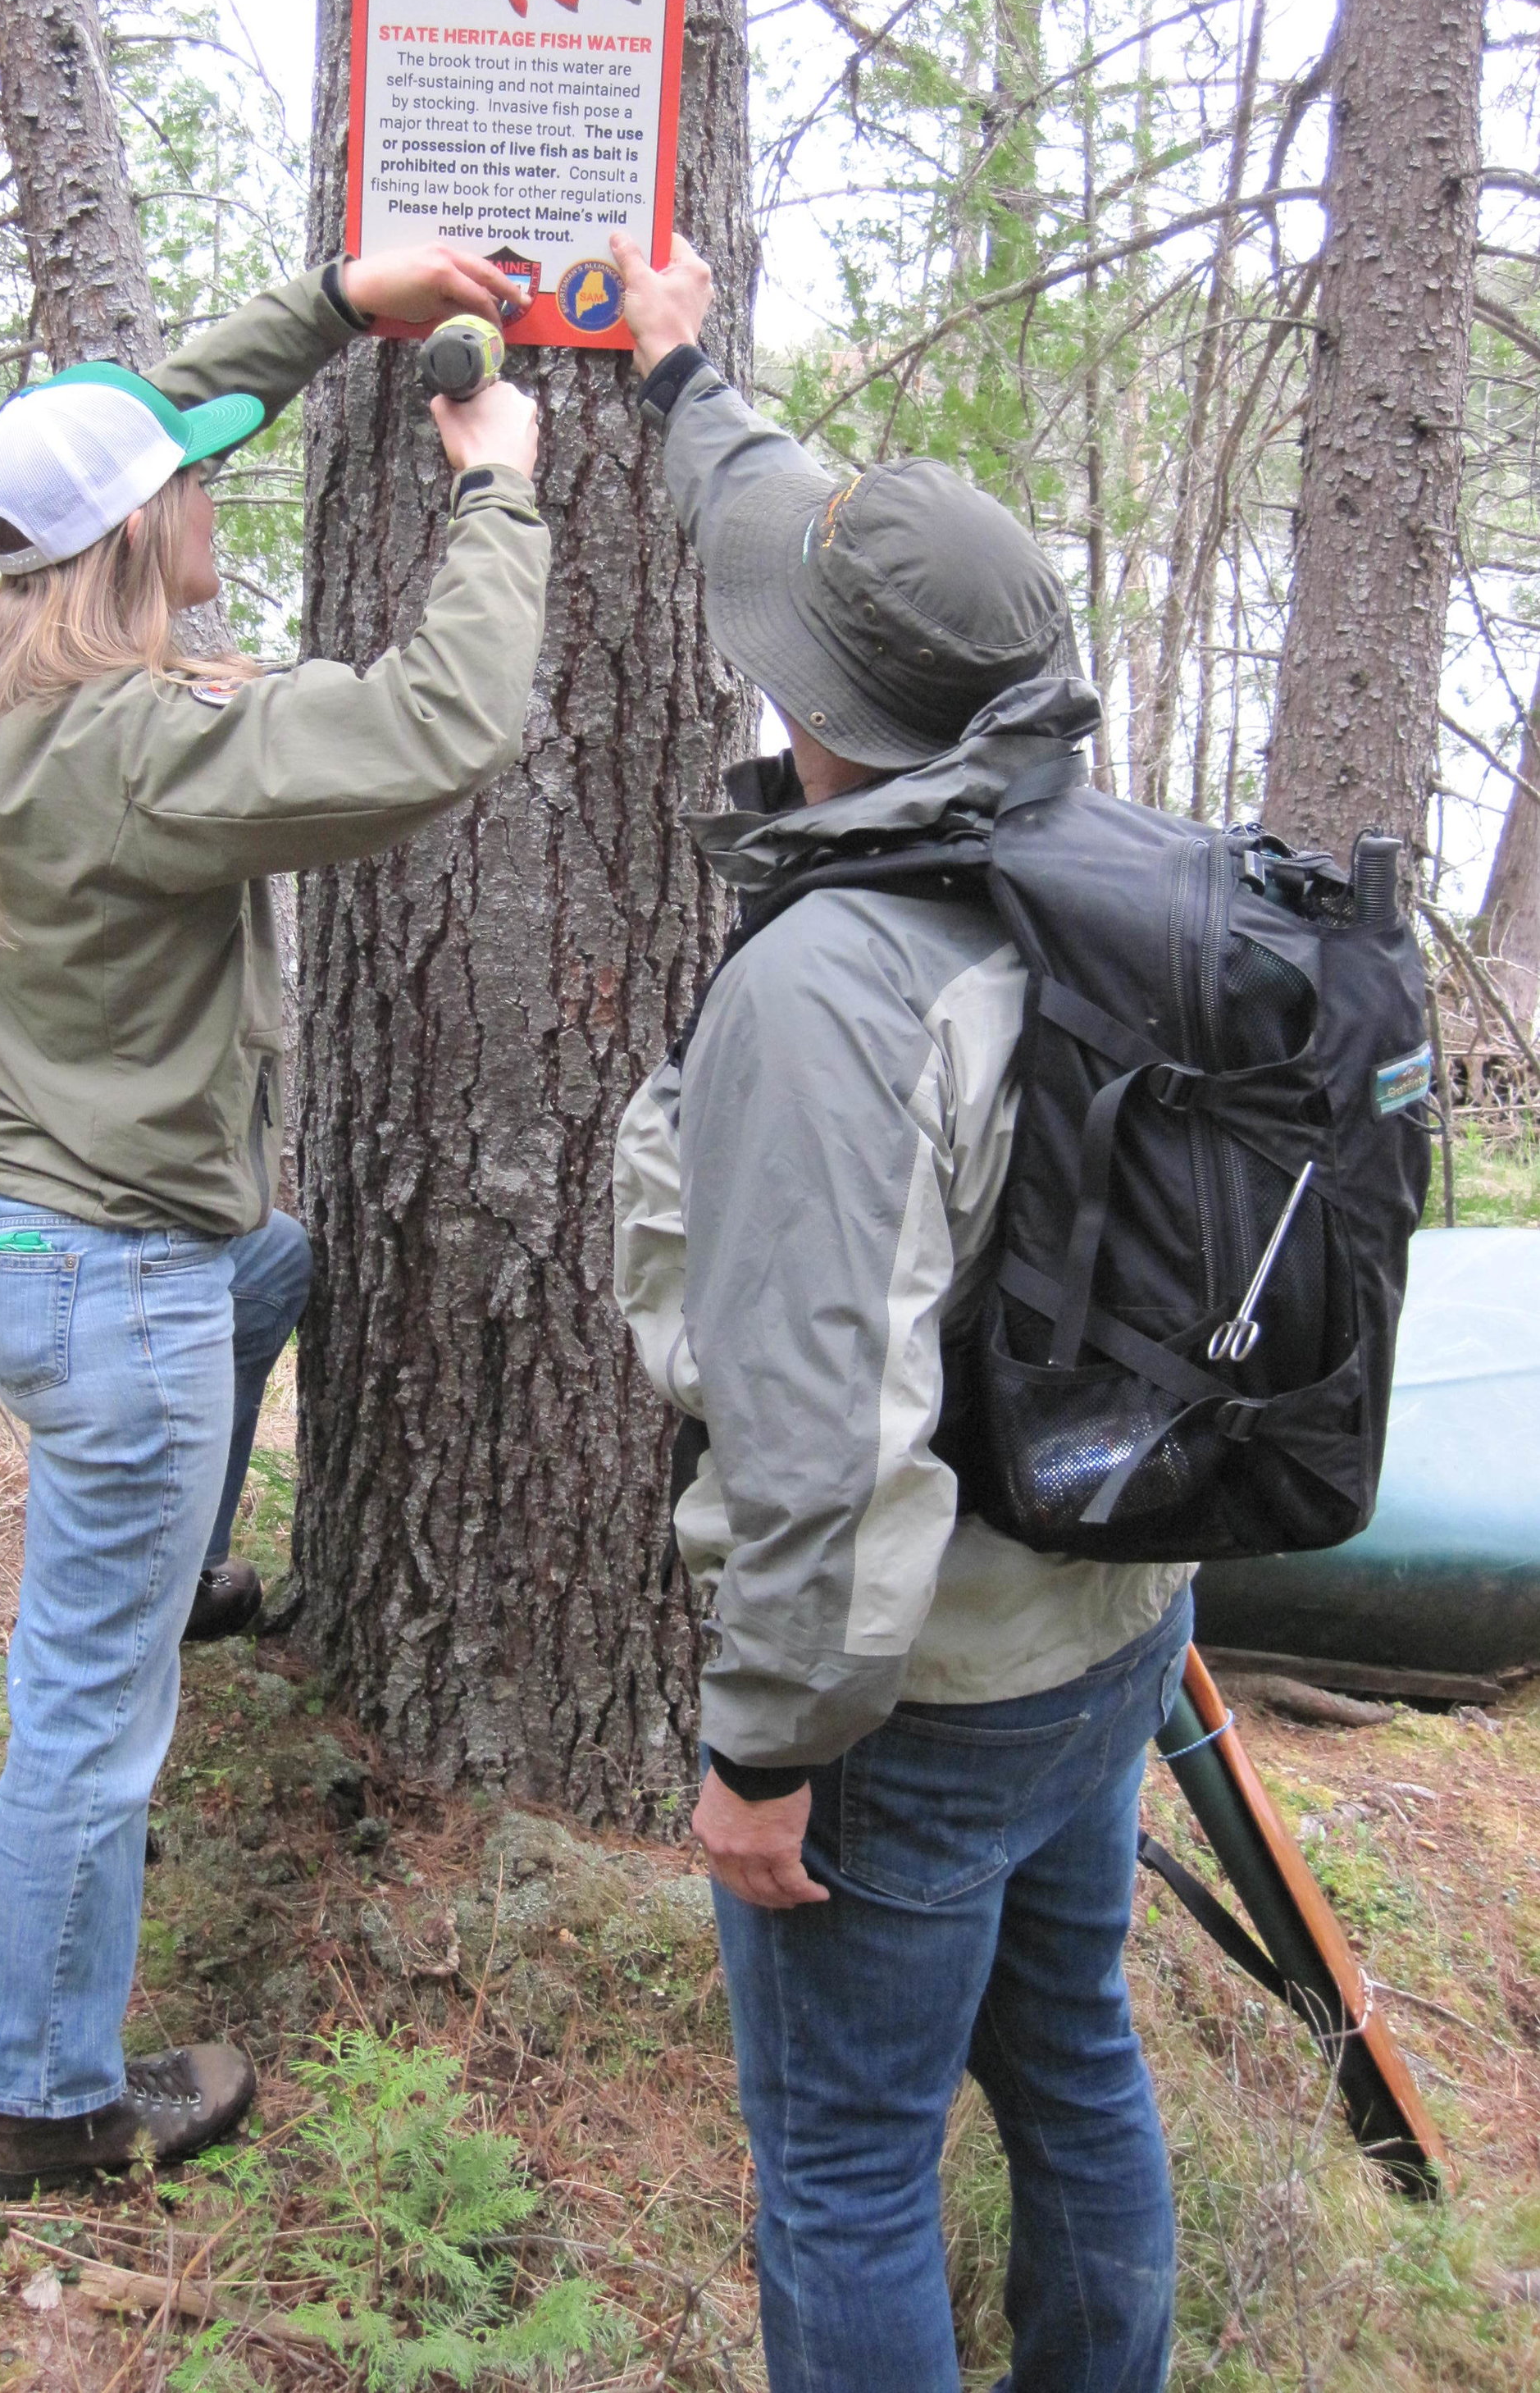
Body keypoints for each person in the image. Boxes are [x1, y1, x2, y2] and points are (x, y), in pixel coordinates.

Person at [608, 229, 1194, 2393]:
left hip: (914, 1693)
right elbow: (805, 523)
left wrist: (765, 1743)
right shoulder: (1116, 853)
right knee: (1074, 2056)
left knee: (845, 2164)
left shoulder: (828, 991)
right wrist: (684, 380)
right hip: (1118, 1608)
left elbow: (822, 1430)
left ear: (808, 709)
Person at [0, 244, 544, 2199]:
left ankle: (171, 1552)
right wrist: (493, 481)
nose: (218, 480)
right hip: (101, 1275)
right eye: (193, 479)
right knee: (91, 1715)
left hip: (24, 1229)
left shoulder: (18, 647)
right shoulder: (139, 747)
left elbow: (149, 416)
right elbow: (440, 722)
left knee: (269, 1260)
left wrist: (342, 300)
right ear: (146, 531)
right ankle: (43, 2096)